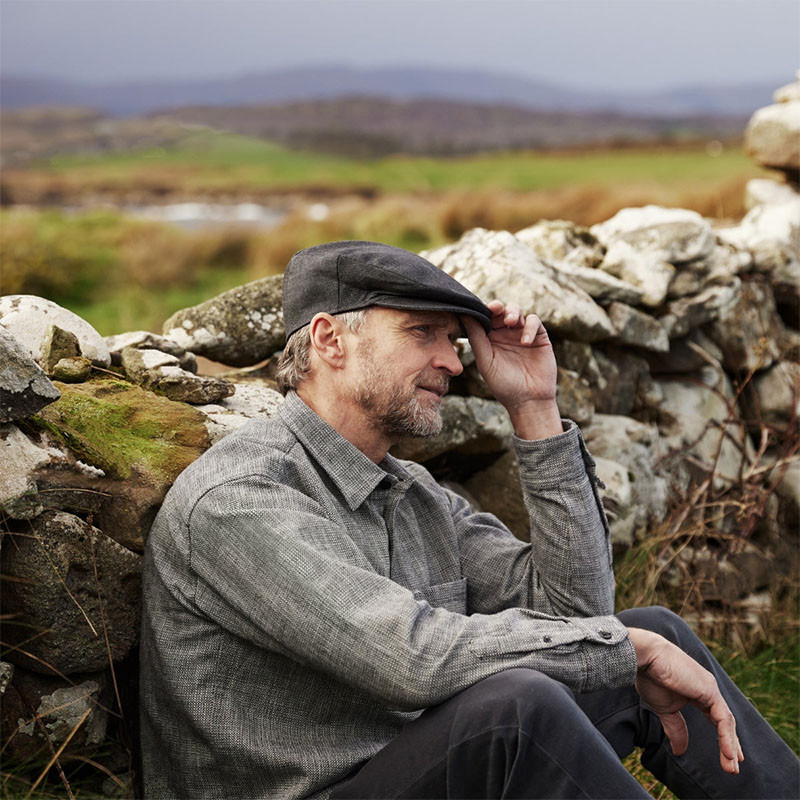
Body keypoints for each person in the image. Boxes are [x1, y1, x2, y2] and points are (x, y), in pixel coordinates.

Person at [139, 240, 799, 800]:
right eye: (421, 333)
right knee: (519, 710)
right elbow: (410, 658)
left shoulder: (413, 492)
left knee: (650, 631)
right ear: (329, 339)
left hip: (409, 769)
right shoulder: (238, 497)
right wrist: (620, 652)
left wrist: (535, 408)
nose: (455, 362)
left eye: (453, 341)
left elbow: (579, 612)